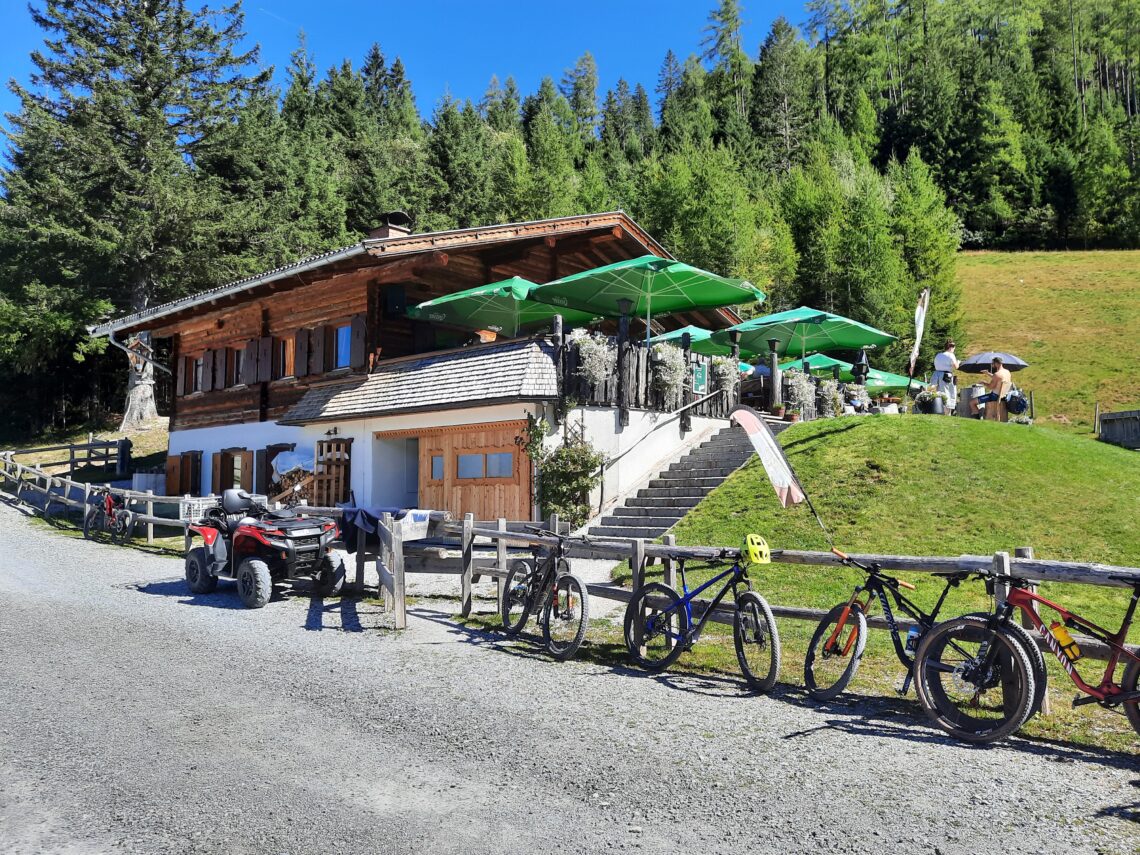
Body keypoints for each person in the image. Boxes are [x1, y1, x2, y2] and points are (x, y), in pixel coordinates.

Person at [932, 339, 960, 413]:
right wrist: (958, 362)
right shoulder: (951, 355)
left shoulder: (938, 355)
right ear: (951, 347)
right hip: (946, 376)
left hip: (936, 375)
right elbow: (956, 366)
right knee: (948, 394)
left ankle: (937, 410)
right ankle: (947, 413)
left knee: (937, 393)